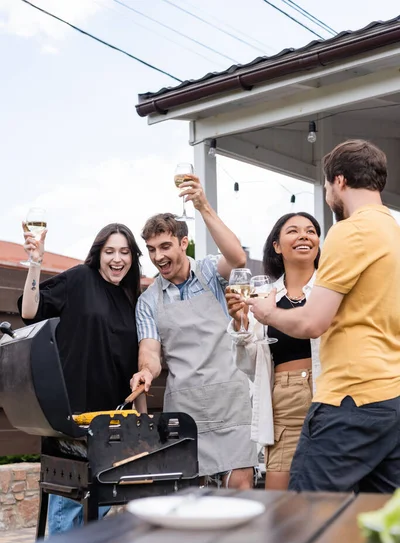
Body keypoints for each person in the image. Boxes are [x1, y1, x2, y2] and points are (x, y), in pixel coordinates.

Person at [247, 139, 400, 494]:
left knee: (306, 514)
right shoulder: (393, 233)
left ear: (340, 181)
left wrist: (267, 312)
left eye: (328, 185)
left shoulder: (350, 232)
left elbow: (311, 323)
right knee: (376, 522)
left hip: (350, 400)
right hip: (392, 400)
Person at [131, 174, 258, 489]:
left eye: (165, 246)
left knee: (240, 485)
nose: (158, 256)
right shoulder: (148, 301)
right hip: (185, 409)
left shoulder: (210, 273)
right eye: (151, 249)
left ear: (183, 243)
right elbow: (151, 355)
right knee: (192, 493)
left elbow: (238, 258)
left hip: (231, 399)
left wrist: (203, 207)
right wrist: (145, 373)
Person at [18, 222, 144, 534]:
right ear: (98, 254)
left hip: (114, 422)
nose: (117, 259)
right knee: (67, 510)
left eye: (124, 252)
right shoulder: (79, 279)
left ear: (132, 258)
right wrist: (36, 261)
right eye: (110, 251)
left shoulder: (133, 298)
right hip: (73, 419)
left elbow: (136, 366)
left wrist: (143, 423)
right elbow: (30, 310)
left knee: (99, 511)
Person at [226, 212, 321, 490]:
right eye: (293, 231)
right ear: (277, 246)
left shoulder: (332, 291)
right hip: (284, 401)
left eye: (311, 230)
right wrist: (239, 322)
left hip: (329, 396)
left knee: (329, 497)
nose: (304, 235)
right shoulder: (263, 297)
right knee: (279, 504)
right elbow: (249, 366)